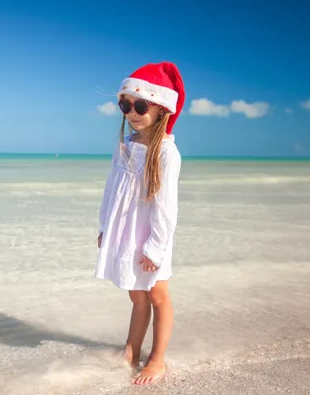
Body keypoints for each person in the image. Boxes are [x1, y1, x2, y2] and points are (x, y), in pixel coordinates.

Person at [96, 61, 185, 385]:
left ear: (161, 109)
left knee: (158, 295)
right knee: (136, 296)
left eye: (140, 105)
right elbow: (111, 191)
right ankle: (131, 351)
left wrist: (156, 248)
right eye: (125, 104)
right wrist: (105, 228)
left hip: (152, 236)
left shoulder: (165, 153)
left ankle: (158, 359)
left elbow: (166, 206)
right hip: (127, 233)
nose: (132, 111)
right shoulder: (126, 146)